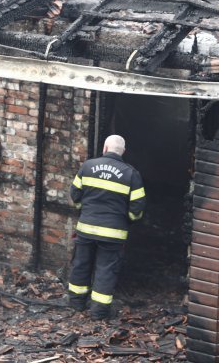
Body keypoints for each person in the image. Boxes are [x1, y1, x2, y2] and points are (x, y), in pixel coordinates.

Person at [68, 134, 146, 320]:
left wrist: (84, 210)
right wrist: (127, 220)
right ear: (123, 152)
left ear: (104, 148)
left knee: (81, 264)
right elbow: (137, 208)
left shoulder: (88, 166)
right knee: (106, 269)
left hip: (86, 228)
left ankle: (76, 303)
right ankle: (98, 312)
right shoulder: (131, 174)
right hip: (113, 233)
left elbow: (75, 194)